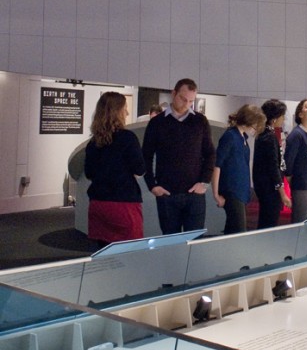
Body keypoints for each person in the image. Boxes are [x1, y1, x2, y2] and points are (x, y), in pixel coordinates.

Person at [142, 78, 215, 235]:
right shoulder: (157, 123)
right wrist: (152, 186)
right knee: (170, 241)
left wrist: (204, 182)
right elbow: (146, 156)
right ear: (174, 93)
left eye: (191, 101)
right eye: (183, 99)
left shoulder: (200, 121)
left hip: (194, 194)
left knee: (194, 242)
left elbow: (210, 153)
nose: (186, 104)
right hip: (167, 193)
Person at [84, 91, 145, 247]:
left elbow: (89, 173)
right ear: (117, 112)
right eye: (125, 108)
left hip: (99, 204)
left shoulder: (93, 142)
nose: (127, 113)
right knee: (129, 252)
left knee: (104, 253)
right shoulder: (128, 138)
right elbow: (140, 169)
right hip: (123, 205)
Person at [211, 104, 265, 235]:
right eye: (255, 126)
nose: (255, 129)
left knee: (233, 230)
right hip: (232, 190)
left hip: (241, 190)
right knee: (239, 230)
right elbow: (217, 165)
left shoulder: (242, 138)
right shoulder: (230, 136)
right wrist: (216, 194)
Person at [253, 98, 291, 229]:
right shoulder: (269, 137)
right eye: (282, 116)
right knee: (269, 221)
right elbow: (273, 166)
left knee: (266, 220)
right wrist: (282, 193)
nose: (283, 119)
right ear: (274, 118)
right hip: (269, 188)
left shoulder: (263, 134)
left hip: (264, 186)